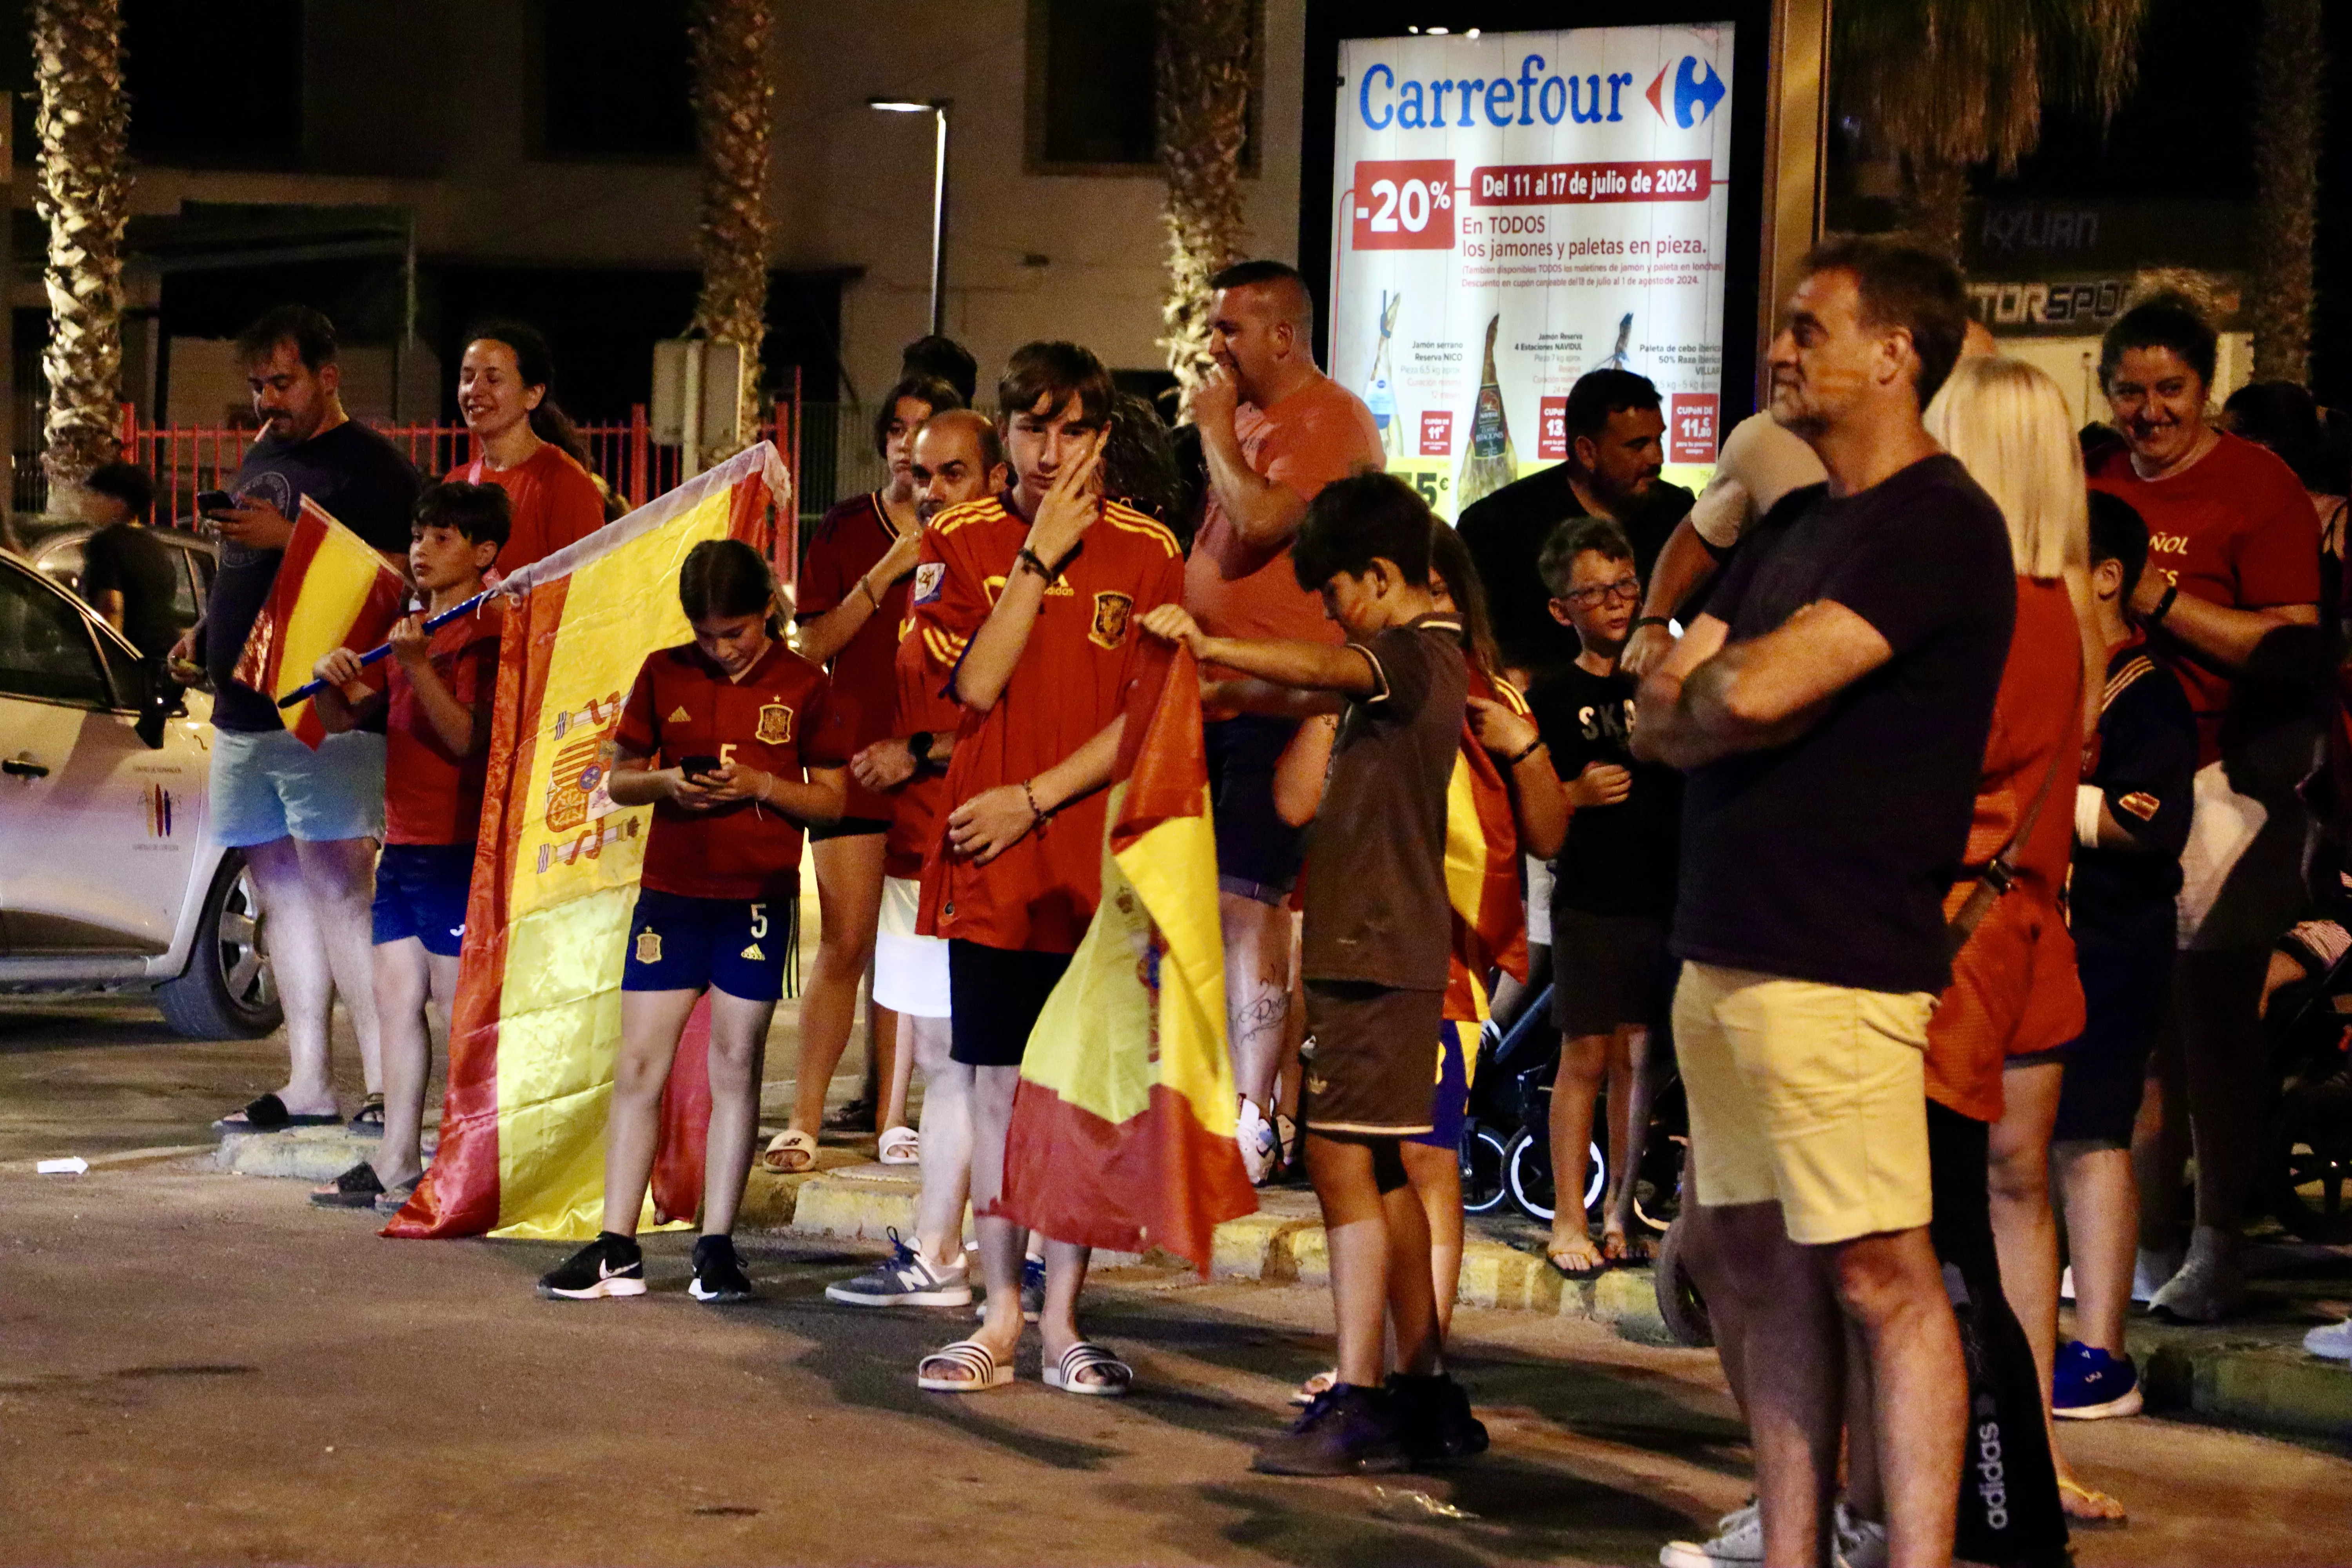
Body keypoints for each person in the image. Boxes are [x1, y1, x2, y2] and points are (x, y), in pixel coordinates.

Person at [1635, 238, 2011, 1568]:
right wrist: (1710, 698)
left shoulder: (1939, 524)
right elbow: (1660, 712)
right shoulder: (1797, 526)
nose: (1780, 352)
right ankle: (1793, 1548)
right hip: (1722, 944)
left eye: (1808, 328)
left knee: (1879, 1275)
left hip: (1839, 957)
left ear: (1896, 354)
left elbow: (1743, 690)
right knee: (1754, 1261)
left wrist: (1717, 698)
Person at [1147, 472, 1484, 1476]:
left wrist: (1215, 643)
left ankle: (1362, 1392)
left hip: (1380, 956)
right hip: (1368, 949)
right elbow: (1308, 680)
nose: (1331, 616)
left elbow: (1324, 665)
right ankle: (1421, 1389)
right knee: (1372, 1167)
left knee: (1343, 1165)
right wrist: (1227, 681)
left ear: (1380, 578)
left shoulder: (1414, 657)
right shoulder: (1415, 657)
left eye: (1336, 594)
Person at [906, 342, 1184, 1396]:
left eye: (1073, 431)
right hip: (992, 871)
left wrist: (1035, 798)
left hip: (1092, 870)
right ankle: (999, 1314)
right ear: (1006, 432)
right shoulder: (963, 539)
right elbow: (972, 688)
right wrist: (1040, 560)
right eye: (1031, 429)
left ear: (1102, 436)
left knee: (1078, 1097)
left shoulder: (1152, 551)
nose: (1049, 452)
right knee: (995, 1095)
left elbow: (1145, 719)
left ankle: (1064, 1319)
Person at [1270, 522, 1566, 1406]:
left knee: (1423, 1158)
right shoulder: (1356, 686)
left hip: (1437, 961)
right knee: (1349, 1160)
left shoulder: (1486, 697)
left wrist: (1525, 749)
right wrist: (1333, 690)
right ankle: (1379, 1363)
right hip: (1348, 952)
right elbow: (1292, 803)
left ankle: (1416, 1366)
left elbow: (1548, 833)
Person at [2089, 294, 2322, 1322]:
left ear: (2206, 389)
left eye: (2168, 390)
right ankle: (2140, 1241)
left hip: (2229, 775)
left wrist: (2156, 600)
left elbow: (2290, 644)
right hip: (2111, 771)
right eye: (2131, 392)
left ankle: (2218, 1240)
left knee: (2210, 1020)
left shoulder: (2257, 487)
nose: (2149, 412)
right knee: (2132, 1026)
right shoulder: (2092, 480)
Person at [538, 539, 849, 1303]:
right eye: (708, 635)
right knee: (641, 1064)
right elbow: (618, 777)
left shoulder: (806, 684)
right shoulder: (663, 670)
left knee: (735, 1064)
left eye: (736, 633)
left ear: (768, 612)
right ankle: (617, 1245)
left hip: (755, 900)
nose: (722, 649)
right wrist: (669, 781)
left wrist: (759, 785)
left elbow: (834, 800)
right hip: (671, 896)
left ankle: (716, 1245)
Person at [175, 305, 422, 1134]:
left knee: (343, 892)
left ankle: (389, 1088)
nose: (267, 400)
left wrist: (294, 538)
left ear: (328, 374)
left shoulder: (374, 466)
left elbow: (404, 573)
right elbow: (245, 563)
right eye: (256, 385)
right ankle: (311, 1080)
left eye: (281, 382)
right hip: (244, 712)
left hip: (324, 713)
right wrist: (210, 626)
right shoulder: (263, 452)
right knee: (279, 895)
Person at [1183, 258, 1386, 1183]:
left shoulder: (1326, 420)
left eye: (1229, 330)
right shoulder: (1256, 420)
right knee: (1213, 903)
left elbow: (1264, 521)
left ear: (1281, 335)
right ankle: (1217, 1093)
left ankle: (1254, 1114)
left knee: (1249, 903)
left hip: (1284, 703)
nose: (1215, 347)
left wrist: (1219, 436)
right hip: (1217, 697)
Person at [824, 407, 1004, 1310]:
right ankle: (942, 1250)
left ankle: (991, 1260)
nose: (932, 493)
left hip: (985, 840)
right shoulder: (931, 562)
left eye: (955, 475)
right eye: (923, 475)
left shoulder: (1010, 565)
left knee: (987, 1059)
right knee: (943, 1052)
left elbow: (1003, 707)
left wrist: (923, 756)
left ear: (998, 478)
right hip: (918, 839)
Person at [766, 373, 962, 1173]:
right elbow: (812, 644)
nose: (916, 456)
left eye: (934, 441)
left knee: (911, 943)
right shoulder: (850, 527)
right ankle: (805, 1117)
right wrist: (888, 566)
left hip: (930, 758)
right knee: (845, 939)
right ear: (889, 445)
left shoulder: (983, 535)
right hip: (848, 755)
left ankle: (893, 1117)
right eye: (902, 433)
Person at [304, 483, 509, 1213]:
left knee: (460, 1010)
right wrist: (333, 683)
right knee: (397, 1000)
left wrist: (419, 664)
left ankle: (465, 1158)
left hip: (458, 849)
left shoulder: (487, 631)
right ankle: (396, 1158)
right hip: (407, 847)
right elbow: (346, 719)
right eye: (418, 534)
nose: (421, 549)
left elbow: (468, 742)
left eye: (442, 537)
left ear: (485, 554)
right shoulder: (412, 627)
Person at [2049, 494, 2197, 1417]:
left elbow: (2153, 820)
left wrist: (2049, 799)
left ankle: (2102, 1352)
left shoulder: (2145, 691)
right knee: (2032, 1141)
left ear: (2107, 575)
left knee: (2091, 1134)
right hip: (2049, 938)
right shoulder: (2059, 670)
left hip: (2111, 940)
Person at [1525, 516, 1680, 1277]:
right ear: (1563, 608)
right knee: (1584, 1053)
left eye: (1626, 586)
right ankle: (1567, 1215)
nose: (1618, 603)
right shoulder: (1553, 696)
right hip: (1590, 896)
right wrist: (1572, 792)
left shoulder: (1668, 676)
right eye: (1597, 591)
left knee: (1640, 1057)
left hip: (1663, 893)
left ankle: (1623, 1211)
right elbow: (1528, 811)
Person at [1457, 368, 1697, 682]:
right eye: (1638, 445)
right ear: (1587, 451)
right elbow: (1470, 646)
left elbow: (1715, 619)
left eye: (1658, 440)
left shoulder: (1678, 516)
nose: (1657, 458)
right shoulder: (1498, 524)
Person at [1620, 411, 1827, 681]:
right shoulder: (1764, 437)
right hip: (1770, 671)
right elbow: (1703, 533)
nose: (1780, 366)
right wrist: (1653, 623)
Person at [446, 321, 607, 576]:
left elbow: (584, 592)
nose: (475, 390)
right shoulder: (457, 483)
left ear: (533, 395)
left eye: (493, 379)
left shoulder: (566, 484)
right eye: (467, 378)